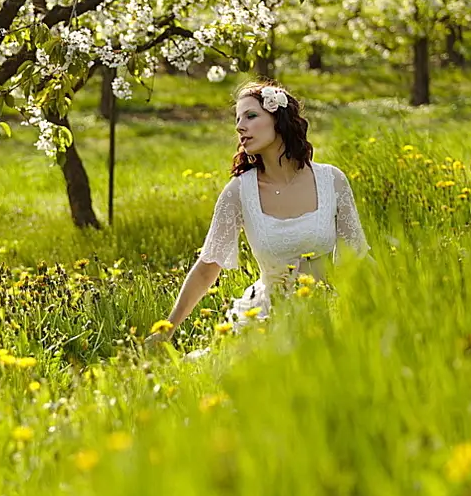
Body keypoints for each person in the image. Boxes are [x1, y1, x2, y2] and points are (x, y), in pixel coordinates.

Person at [147, 80, 370, 345]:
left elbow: (357, 259)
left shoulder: (331, 180)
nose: (240, 126)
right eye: (238, 120)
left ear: (280, 120)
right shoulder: (238, 192)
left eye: (251, 116)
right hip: (267, 319)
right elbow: (208, 266)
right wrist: (166, 330)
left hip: (327, 313)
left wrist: (402, 302)